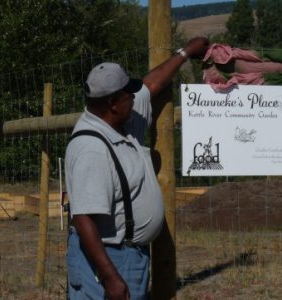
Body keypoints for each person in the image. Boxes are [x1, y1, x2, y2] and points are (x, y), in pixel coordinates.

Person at [65, 37, 209, 300]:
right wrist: (111, 277)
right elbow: (83, 218)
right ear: (113, 103)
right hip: (107, 260)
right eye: (128, 95)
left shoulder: (121, 123)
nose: (135, 97)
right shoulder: (91, 148)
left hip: (127, 256)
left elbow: (151, 84)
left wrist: (185, 53)